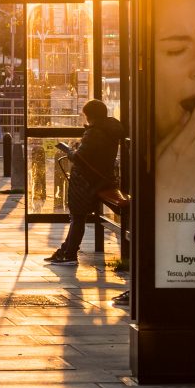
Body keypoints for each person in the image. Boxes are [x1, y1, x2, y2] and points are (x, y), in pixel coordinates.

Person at [47, 99, 124, 265]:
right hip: (104, 179)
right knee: (78, 217)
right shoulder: (111, 128)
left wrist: (69, 151)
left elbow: (80, 158)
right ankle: (66, 250)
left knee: (77, 216)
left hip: (87, 181)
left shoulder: (94, 132)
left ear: (91, 116)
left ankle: (69, 253)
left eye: (86, 116)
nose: (86, 119)